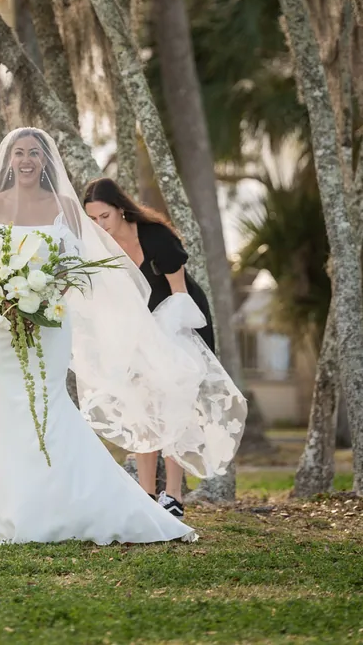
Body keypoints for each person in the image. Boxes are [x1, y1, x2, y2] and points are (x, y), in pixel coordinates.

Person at [0, 127, 242, 547]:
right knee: (2, 406)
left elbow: (76, 267)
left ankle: (61, 502)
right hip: (1, 324)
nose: (25, 160)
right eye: (18, 152)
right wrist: (10, 302)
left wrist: (47, 298)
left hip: (52, 321)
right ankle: (0, 505)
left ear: (45, 161)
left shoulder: (66, 209)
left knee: (49, 403)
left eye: (34, 153)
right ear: (8, 159)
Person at [84, 177, 228, 517]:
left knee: (173, 406)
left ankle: (173, 496)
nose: (99, 224)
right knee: (142, 407)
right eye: (92, 219)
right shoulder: (99, 246)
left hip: (178, 322)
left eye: (104, 216)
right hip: (136, 329)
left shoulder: (156, 237)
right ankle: (146, 495)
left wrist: (169, 348)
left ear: (120, 210)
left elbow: (180, 294)